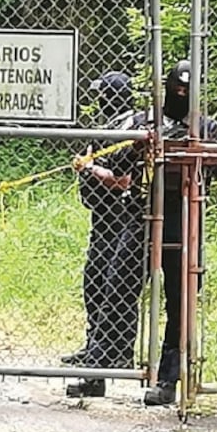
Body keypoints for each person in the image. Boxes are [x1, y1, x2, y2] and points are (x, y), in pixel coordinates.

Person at [142, 59, 217, 406]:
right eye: (176, 90)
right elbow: (119, 152)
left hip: (184, 218)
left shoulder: (206, 125)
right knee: (116, 287)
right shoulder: (147, 120)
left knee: (181, 299)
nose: (181, 96)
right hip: (142, 216)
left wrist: (192, 151)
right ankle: (101, 369)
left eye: (187, 92)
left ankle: (168, 379)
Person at [64, 71, 146, 399]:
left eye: (103, 93)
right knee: (95, 282)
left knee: (116, 286)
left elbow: (124, 179)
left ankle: (115, 354)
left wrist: (89, 169)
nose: (99, 99)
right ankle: (95, 347)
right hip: (102, 217)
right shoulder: (107, 126)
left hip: (122, 218)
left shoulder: (131, 126)